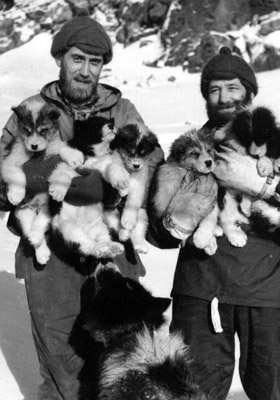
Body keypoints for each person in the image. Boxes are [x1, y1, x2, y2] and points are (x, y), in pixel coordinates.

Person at [0, 10, 163, 400]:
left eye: (95, 61)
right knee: (62, 364)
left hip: (110, 249)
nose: (86, 70)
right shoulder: (30, 111)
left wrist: (122, 181)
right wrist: (37, 177)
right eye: (78, 59)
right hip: (51, 259)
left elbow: (154, 164)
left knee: (122, 359)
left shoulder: (122, 112)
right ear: (59, 58)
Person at [147, 47, 280, 400]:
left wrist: (268, 185)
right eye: (214, 89)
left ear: (250, 92)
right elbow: (157, 230)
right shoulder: (191, 148)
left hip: (271, 294)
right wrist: (174, 222)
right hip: (202, 290)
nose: (223, 97)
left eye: (232, 88)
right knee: (191, 393)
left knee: (275, 393)